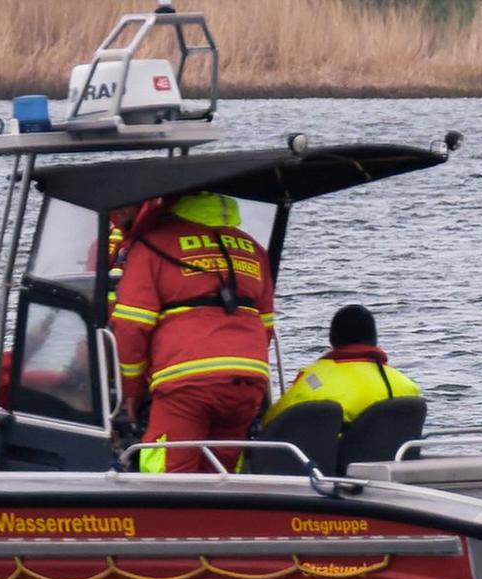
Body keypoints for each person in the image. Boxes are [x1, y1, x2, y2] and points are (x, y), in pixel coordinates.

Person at [111, 191, 275, 473]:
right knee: (222, 475)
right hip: (248, 380)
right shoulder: (253, 249)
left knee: (167, 471)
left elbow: (131, 326)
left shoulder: (152, 245)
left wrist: (131, 392)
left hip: (185, 381)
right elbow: (267, 326)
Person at [265, 304, 421, 426]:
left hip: (331, 465)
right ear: (373, 339)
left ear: (333, 338)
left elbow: (271, 422)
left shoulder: (313, 382)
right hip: (392, 461)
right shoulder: (408, 387)